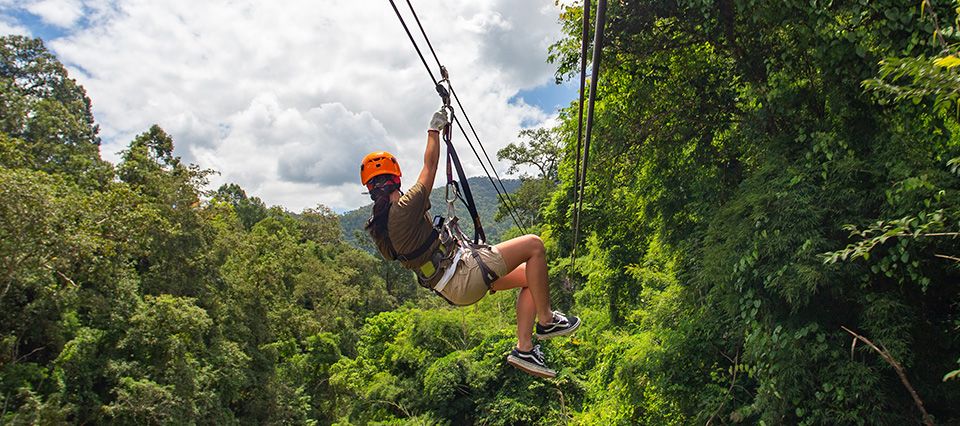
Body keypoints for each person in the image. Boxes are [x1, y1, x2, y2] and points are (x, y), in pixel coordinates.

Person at [360, 107, 581, 378]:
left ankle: (525, 348)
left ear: (369, 188)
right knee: (534, 245)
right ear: (396, 178)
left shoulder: (379, 227)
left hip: (451, 284)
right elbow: (429, 167)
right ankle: (546, 321)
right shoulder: (404, 208)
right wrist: (434, 130)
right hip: (462, 274)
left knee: (529, 280)